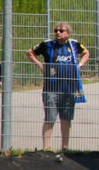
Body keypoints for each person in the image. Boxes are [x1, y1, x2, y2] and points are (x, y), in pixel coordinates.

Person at [27, 23, 90, 154]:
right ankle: (46, 148)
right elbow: (30, 53)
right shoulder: (47, 44)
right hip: (51, 87)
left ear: (68, 33)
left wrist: (80, 65)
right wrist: (40, 65)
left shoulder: (74, 44)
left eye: (61, 31)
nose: (58, 33)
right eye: (56, 30)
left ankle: (65, 148)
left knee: (66, 118)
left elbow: (86, 52)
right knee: (50, 117)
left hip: (69, 87)